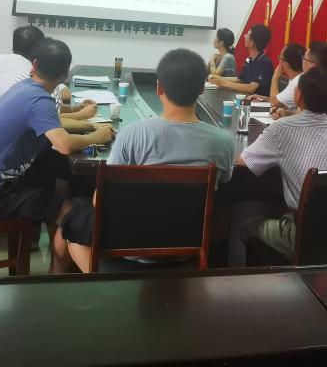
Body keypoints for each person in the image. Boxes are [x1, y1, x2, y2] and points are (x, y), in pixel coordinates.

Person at [58, 48, 236, 271]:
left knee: (72, 223)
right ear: (201, 89)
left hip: (128, 243)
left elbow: (100, 199)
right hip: (187, 245)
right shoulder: (223, 141)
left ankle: (102, 281)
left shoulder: (133, 134)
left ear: (159, 87)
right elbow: (225, 183)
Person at [0, 38, 114, 274]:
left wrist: (80, 117)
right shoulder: (38, 100)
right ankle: (59, 275)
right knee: (71, 212)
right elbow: (64, 145)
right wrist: (97, 136)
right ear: (65, 74)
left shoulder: (25, 88)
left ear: (34, 64)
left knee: (58, 177)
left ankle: (62, 264)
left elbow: (50, 117)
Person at [239, 67, 327, 260]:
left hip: (307, 233)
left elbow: (244, 161)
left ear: (298, 95)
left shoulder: (281, 129)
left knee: (250, 227)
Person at [208, 24, 274, 94]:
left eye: (247, 34)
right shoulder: (249, 59)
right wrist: (217, 78)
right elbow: (239, 79)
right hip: (246, 97)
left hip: (258, 99)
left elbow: (251, 88)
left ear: (252, 43)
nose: (245, 36)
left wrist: (224, 83)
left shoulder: (264, 63)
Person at [255, 42, 303, 112]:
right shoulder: (297, 77)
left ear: (286, 64)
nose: (278, 60)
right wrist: (260, 97)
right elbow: (281, 102)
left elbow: (274, 103)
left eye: (280, 57)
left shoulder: (297, 81)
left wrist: (275, 77)